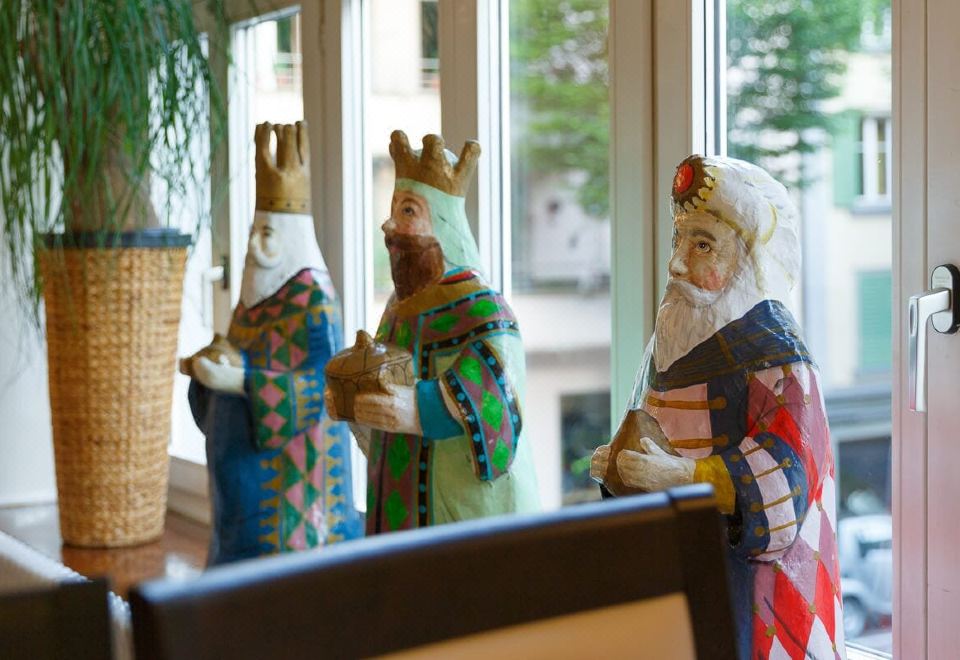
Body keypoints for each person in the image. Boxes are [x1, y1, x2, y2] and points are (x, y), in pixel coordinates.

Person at [592, 155, 844, 660]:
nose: (676, 263)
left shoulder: (779, 360)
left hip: (759, 606)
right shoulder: (675, 340)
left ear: (746, 259)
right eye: (679, 239)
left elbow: (787, 486)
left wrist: (685, 478)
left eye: (702, 245)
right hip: (685, 582)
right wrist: (621, 467)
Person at [327, 131, 540, 534]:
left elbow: (499, 395)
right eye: (393, 209)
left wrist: (417, 409)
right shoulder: (398, 309)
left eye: (408, 211)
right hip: (400, 501)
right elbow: (386, 375)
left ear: (442, 223)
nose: (389, 224)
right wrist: (355, 402)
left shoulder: (485, 310)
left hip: (466, 513)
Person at [186, 121, 361, 565]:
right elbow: (236, 356)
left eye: (266, 235)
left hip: (294, 493)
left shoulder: (313, 300)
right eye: (254, 233)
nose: (254, 246)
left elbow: (321, 388)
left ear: (289, 239)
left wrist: (239, 380)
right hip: (236, 484)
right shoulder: (252, 297)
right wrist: (209, 370)